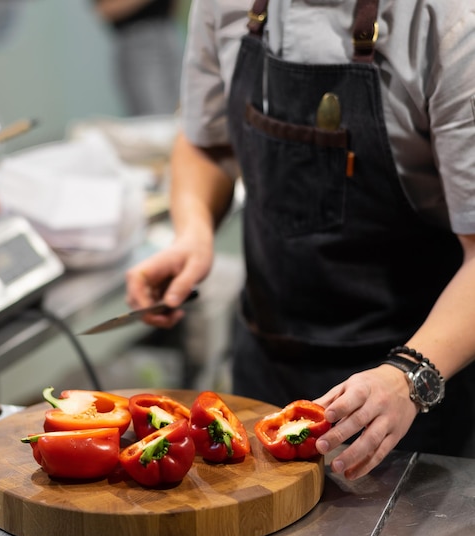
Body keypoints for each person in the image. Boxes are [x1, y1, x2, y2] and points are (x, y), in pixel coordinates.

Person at [125, 0, 475, 479]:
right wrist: (194, 232)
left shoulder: (450, 21)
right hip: (265, 364)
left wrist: (412, 375)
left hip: (412, 386)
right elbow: (206, 142)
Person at [93, 0, 184, 115]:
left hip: (170, 33)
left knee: (183, 113)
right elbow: (104, 10)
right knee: (156, 116)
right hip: (138, 41)